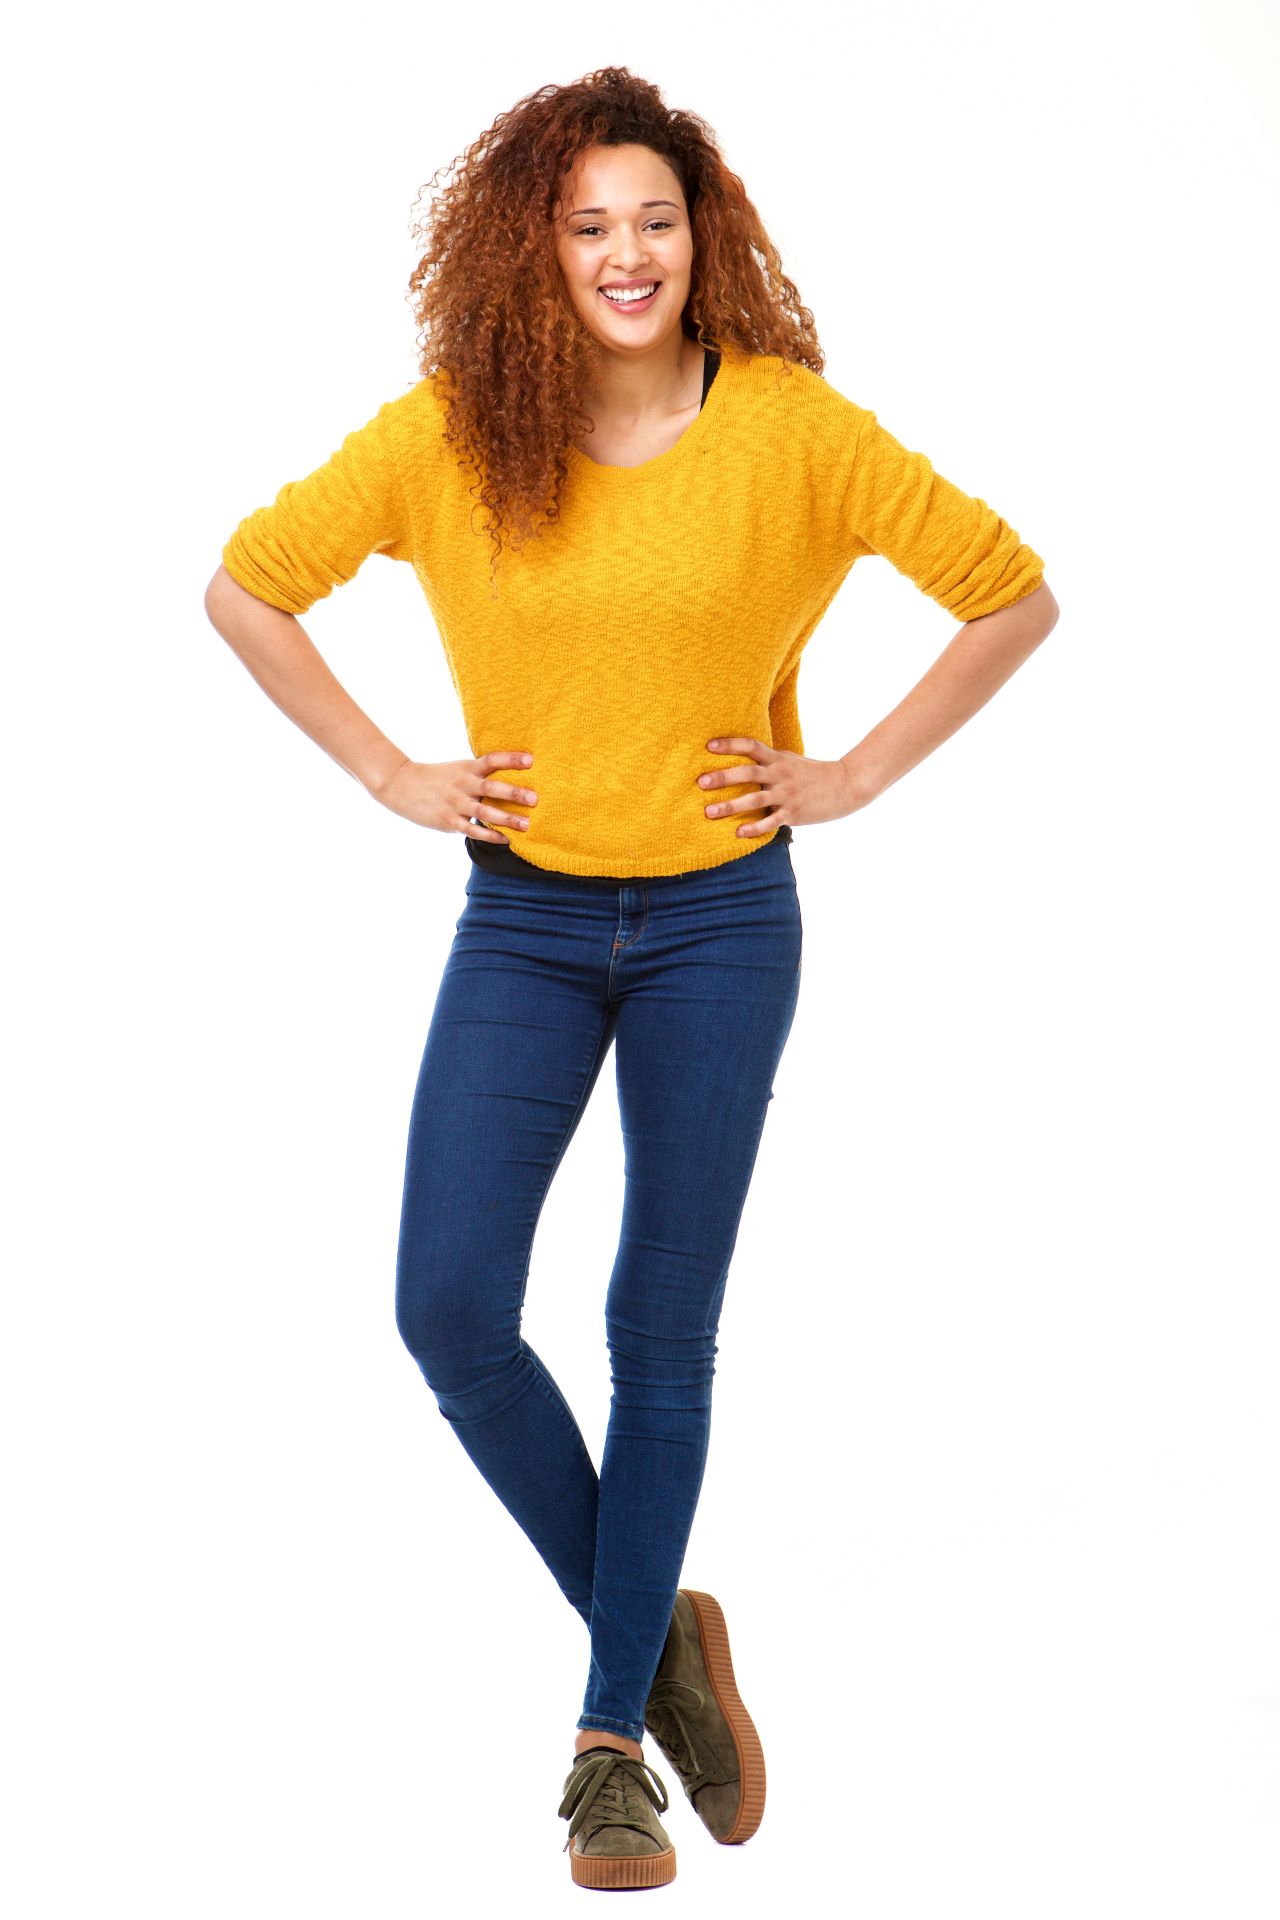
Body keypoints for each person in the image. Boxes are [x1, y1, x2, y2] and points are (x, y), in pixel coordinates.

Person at [205, 65, 1058, 1894]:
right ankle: (660, 1628)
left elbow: (1011, 593)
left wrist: (849, 775)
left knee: (656, 1332)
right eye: (587, 223)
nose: (624, 252)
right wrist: (391, 772)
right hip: (521, 918)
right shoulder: (458, 434)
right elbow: (249, 587)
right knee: (450, 1309)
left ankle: (609, 1752)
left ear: (702, 232)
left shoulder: (791, 432)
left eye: (653, 218)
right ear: (532, 246)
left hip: (723, 926)